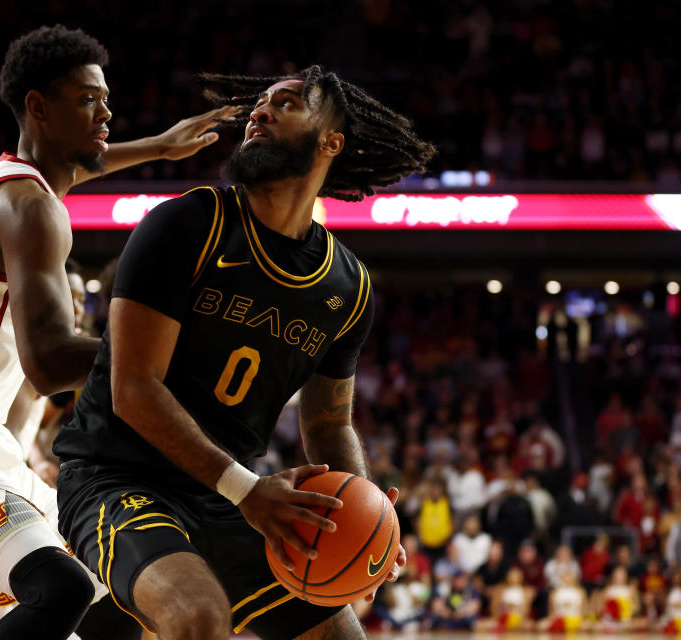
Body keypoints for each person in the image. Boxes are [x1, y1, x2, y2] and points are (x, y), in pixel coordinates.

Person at [0, 24, 236, 640]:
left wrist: (158, 147)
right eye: (88, 98)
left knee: (114, 611)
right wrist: (172, 354)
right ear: (38, 106)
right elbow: (49, 363)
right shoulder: (30, 209)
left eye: (106, 98)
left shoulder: (28, 184)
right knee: (58, 590)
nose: (107, 111)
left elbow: (81, 165)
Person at [53, 65, 435, 638]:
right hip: (116, 478)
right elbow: (132, 390)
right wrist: (246, 490)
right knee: (199, 616)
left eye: (286, 103)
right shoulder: (186, 225)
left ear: (332, 141)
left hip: (229, 494)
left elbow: (329, 426)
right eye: (260, 102)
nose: (260, 110)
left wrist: (369, 521)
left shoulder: (347, 287)